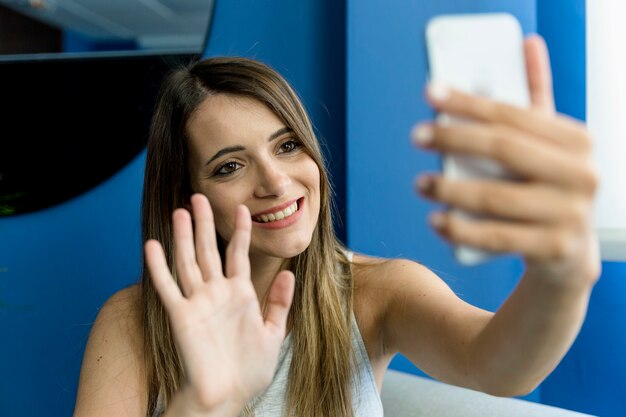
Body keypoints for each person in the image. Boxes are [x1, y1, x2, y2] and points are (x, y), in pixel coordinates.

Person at [73, 35, 600, 417]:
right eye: (230, 166)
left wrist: (563, 274)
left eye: (287, 145)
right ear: (188, 198)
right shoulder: (134, 323)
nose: (277, 182)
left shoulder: (374, 292)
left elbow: (500, 366)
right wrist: (206, 405)